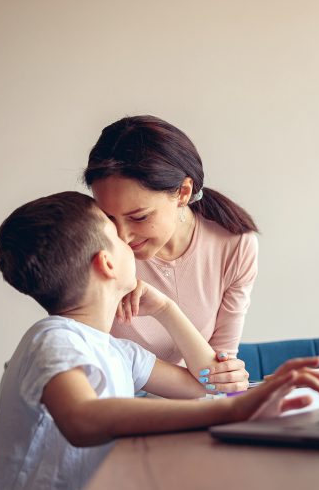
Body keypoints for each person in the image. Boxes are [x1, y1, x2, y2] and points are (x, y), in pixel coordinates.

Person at [0, 191, 319, 490]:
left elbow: (205, 386)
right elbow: (82, 419)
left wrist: (166, 309)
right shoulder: (53, 340)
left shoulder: (120, 353)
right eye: (117, 236)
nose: (129, 239)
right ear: (107, 264)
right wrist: (231, 410)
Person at [84, 115, 256, 392]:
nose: (122, 237)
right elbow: (83, 363)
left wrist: (165, 310)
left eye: (139, 217)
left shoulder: (235, 244)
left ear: (183, 192)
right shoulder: (96, 249)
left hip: (191, 407)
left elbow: (219, 376)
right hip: (117, 408)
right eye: (109, 218)